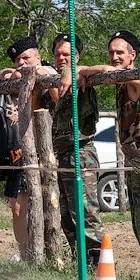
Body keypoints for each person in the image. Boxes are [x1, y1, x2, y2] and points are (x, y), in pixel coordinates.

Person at [65, 30, 140, 270]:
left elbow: (109, 71)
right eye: (111, 52)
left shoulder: (135, 77)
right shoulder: (123, 80)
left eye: (120, 52)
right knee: (139, 215)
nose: (114, 56)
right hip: (134, 154)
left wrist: (81, 71)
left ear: (132, 55)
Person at [43, 32, 103, 266]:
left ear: (76, 56)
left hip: (81, 152)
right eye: (58, 54)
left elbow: (106, 69)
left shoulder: (82, 76)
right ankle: (82, 263)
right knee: (67, 216)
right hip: (62, 154)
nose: (61, 58)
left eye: (67, 54)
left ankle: (99, 264)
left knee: (86, 213)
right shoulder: (54, 80)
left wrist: (76, 70)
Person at [0, 35, 56, 259]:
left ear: (38, 57)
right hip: (22, 150)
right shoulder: (20, 77)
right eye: (17, 60)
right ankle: (24, 252)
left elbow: (54, 87)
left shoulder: (49, 73)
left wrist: (27, 72)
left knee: (51, 202)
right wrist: (9, 73)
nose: (21, 62)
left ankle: (50, 254)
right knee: (18, 206)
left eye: (26, 57)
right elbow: (1, 76)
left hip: (49, 149)